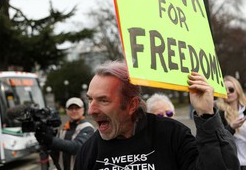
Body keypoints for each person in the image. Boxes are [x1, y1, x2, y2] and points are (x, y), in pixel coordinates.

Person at [74, 60, 239, 170]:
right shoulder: (89, 150)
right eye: (90, 100)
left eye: (103, 100)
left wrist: (206, 116)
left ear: (131, 105)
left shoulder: (172, 135)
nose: (91, 111)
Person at [35, 97, 95, 170]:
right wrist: (45, 140)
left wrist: (51, 140)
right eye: (71, 108)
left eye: (77, 108)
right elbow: (57, 151)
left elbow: (77, 147)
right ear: (66, 111)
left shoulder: (88, 128)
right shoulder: (64, 129)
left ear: (83, 110)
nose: (74, 111)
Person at [216, 75, 246, 170]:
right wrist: (231, 127)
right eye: (225, 90)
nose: (228, 92)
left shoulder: (244, 111)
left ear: (238, 90)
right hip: (233, 165)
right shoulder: (219, 114)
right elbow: (217, 139)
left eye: (231, 89)